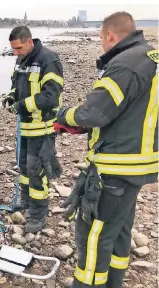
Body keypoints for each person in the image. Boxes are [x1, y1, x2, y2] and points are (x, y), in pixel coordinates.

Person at [56, 12, 158, 288]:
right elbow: (130, 111)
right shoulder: (151, 58)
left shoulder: (125, 64)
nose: (101, 43)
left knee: (93, 235)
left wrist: (64, 117)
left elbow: (93, 112)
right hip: (139, 163)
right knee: (119, 229)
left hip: (115, 166)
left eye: (101, 37)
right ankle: (114, 282)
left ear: (109, 35)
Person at [2, 26, 64, 233]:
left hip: (43, 127)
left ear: (29, 41)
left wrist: (21, 105)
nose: (15, 53)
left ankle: (38, 215)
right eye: (13, 49)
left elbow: (50, 97)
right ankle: (26, 201)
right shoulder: (22, 60)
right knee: (24, 168)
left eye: (18, 48)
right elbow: (16, 85)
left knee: (37, 171)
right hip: (25, 128)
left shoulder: (49, 60)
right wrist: (11, 97)